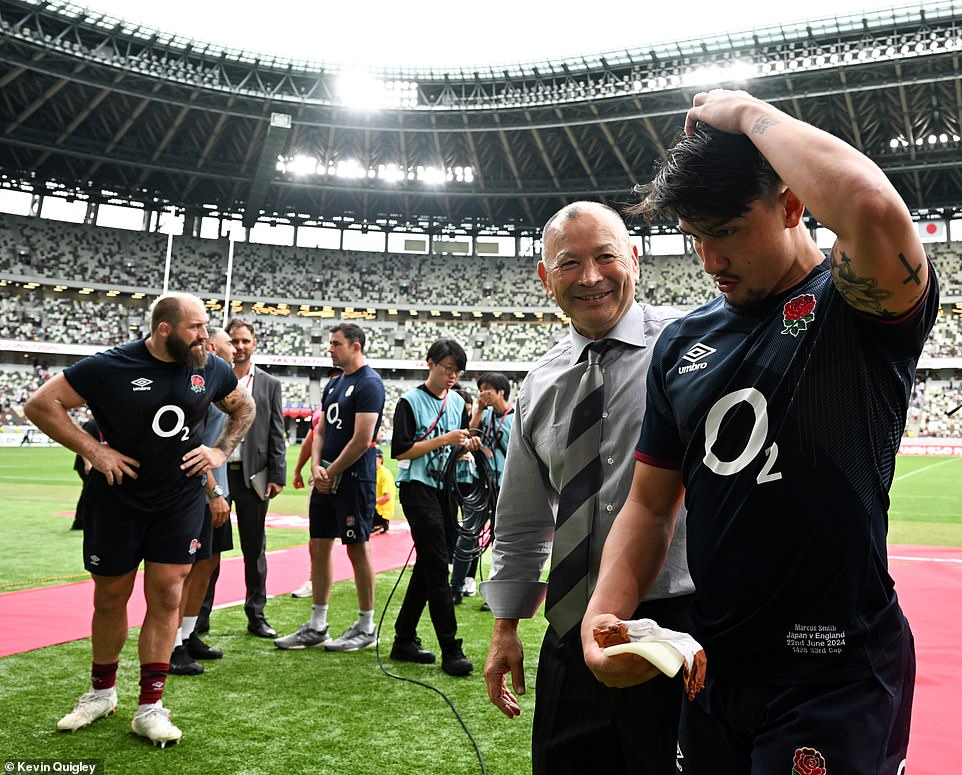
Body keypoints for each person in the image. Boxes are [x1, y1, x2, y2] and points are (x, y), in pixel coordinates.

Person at [582, 89, 937, 775]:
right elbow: (652, 505)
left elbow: (867, 206)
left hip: (837, 677)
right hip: (713, 673)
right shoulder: (682, 343)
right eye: (695, 236)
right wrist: (606, 613)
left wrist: (745, 111)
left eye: (727, 229)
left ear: (792, 203)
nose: (710, 258)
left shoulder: (854, 307)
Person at [480, 201, 695, 774]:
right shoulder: (540, 383)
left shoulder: (694, 347)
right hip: (572, 628)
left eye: (606, 256)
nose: (591, 277)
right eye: (570, 263)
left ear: (635, 259)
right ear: (545, 277)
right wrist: (505, 628)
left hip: (677, 623)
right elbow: (523, 518)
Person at [23, 292, 255, 747]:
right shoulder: (110, 366)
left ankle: (150, 706)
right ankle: (102, 693)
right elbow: (40, 405)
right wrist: (92, 449)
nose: (204, 336)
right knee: (111, 596)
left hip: (179, 499)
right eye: (195, 327)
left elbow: (243, 408)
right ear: (163, 329)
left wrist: (220, 450)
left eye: (206, 326)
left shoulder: (210, 366)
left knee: (168, 595)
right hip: (117, 499)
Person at [275, 323, 385, 651]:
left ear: (356, 346)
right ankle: (317, 624)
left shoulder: (370, 383)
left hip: (354, 480)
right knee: (318, 546)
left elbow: (363, 439)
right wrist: (315, 465)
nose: (330, 348)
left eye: (336, 343)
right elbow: (320, 429)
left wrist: (332, 470)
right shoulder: (334, 384)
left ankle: (366, 626)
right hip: (326, 480)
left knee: (357, 547)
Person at [389, 338, 480, 676]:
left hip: (446, 490)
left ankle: (403, 638)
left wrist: (466, 446)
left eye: (457, 371)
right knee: (438, 565)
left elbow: (454, 447)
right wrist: (444, 440)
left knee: (430, 564)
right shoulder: (409, 402)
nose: (452, 375)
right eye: (447, 368)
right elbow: (400, 450)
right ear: (430, 364)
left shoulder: (458, 402)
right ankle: (450, 648)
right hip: (417, 489)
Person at [201, 317, 287, 639]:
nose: (238, 347)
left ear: (254, 345)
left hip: (253, 475)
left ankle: (257, 614)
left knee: (255, 549)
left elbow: (275, 432)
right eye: (233, 341)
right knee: (211, 548)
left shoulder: (268, 384)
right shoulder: (210, 377)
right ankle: (200, 615)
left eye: (244, 342)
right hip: (217, 474)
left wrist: (276, 474)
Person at [169, 328, 236, 675]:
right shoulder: (199, 388)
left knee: (207, 564)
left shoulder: (221, 386)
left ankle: (188, 632)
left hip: (217, 490)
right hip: (199, 490)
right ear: (211, 347)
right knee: (188, 567)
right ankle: (172, 644)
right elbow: (193, 444)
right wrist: (212, 490)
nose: (236, 350)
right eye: (230, 344)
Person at [450, 372, 513, 604]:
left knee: (502, 540)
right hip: (480, 484)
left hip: (506, 487)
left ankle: (495, 594)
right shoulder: (483, 416)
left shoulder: (515, 418)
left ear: (501, 392)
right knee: (468, 533)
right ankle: (455, 587)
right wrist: (478, 409)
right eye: (481, 389)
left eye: (488, 389)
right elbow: (470, 434)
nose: (483, 393)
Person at [70, 416, 101, 531]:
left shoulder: (102, 424)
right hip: (87, 464)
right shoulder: (92, 425)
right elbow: (82, 444)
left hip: (97, 462)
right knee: (89, 492)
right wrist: (87, 463)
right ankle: (80, 522)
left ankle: (87, 521)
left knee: (92, 492)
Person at [371, 448, 395, 534]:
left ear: (381, 459)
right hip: (376, 507)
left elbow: (387, 497)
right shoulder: (374, 472)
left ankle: (381, 523)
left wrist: (371, 502)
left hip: (382, 511)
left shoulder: (384, 474)